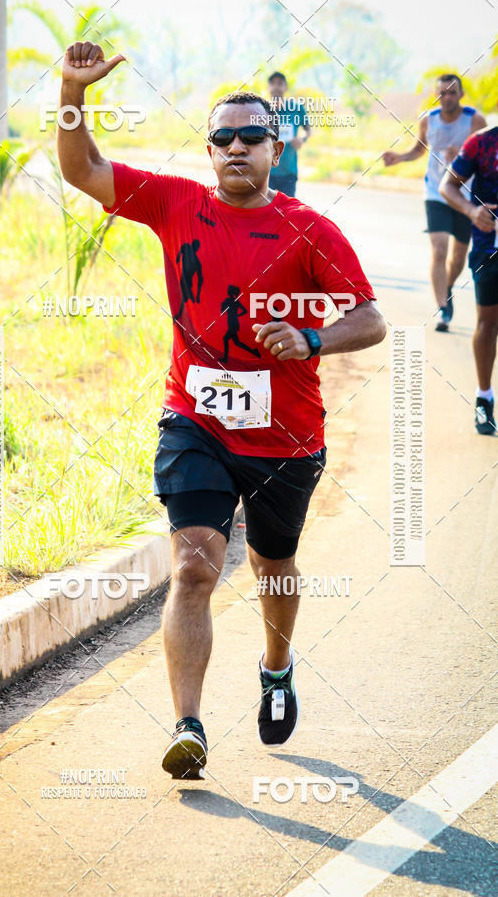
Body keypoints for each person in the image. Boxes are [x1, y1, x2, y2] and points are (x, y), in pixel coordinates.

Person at [57, 41, 386, 780]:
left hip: (286, 437)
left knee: (273, 565)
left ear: (276, 147)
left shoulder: (310, 229)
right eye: (223, 138)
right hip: (195, 421)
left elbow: (370, 319)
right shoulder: (177, 203)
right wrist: (72, 91)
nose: (236, 147)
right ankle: (189, 725)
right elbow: (82, 169)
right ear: (208, 150)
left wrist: (310, 338)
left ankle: (275, 668)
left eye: (251, 136)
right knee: (195, 565)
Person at [382, 74, 485, 332]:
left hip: (465, 195)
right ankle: (443, 309)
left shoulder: (475, 120)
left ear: (461, 94)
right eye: (442, 93)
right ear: (436, 96)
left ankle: (446, 286)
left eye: (452, 92)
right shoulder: (429, 120)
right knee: (439, 249)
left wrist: (463, 155)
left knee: (459, 256)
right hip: (436, 192)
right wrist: (399, 157)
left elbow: (487, 156)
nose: (447, 97)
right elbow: (419, 149)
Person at [440, 122, 498, 435]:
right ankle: (484, 397)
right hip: (490, 249)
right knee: (488, 325)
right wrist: (471, 211)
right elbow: (447, 186)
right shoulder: (482, 142)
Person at [266, 71, 311, 197]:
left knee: (287, 213)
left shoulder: (296, 108)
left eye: (280, 83)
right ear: (268, 87)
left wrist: (302, 140)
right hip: (266, 172)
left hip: (289, 171)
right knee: (267, 211)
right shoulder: (262, 109)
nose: (276, 86)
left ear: (285, 87)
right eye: (273, 83)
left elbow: (308, 129)